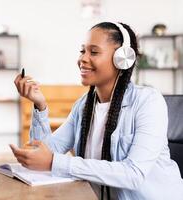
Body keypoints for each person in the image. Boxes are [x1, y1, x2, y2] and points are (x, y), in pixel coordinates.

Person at [11, 22, 183, 200]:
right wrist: (40, 104)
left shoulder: (148, 102)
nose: (83, 59)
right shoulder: (84, 106)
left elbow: (133, 174)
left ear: (122, 58)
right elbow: (46, 152)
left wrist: (55, 162)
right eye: (82, 51)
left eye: (93, 52)